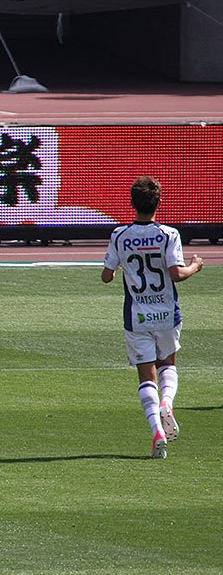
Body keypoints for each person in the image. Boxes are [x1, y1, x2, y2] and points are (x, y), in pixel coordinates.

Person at [101, 176, 203, 459]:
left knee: (146, 375)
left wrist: (119, 267)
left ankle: (157, 431)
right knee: (168, 363)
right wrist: (195, 266)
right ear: (159, 202)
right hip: (167, 313)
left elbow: (106, 276)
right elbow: (176, 274)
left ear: (132, 203)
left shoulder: (120, 235)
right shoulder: (169, 234)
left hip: (137, 316)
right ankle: (167, 403)